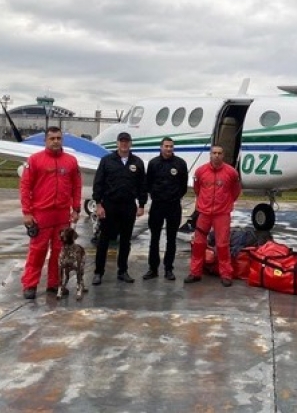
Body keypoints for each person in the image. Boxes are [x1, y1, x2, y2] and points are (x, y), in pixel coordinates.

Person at [20, 126, 82, 299]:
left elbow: (76, 186)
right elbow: (25, 187)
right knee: (37, 251)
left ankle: (54, 284)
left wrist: (76, 208)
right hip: (41, 214)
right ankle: (30, 284)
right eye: (52, 138)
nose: (55, 141)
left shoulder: (71, 161)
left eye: (58, 138)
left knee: (59, 251)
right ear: (45, 140)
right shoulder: (34, 160)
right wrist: (27, 212)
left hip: (62, 214)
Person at [91, 132, 147, 285]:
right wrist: (98, 204)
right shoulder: (107, 161)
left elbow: (142, 185)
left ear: (130, 143)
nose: (124, 144)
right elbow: (98, 183)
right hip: (110, 205)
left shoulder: (137, 162)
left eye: (127, 141)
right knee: (104, 240)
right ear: (117, 143)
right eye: (121, 141)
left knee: (125, 241)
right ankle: (98, 272)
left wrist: (141, 204)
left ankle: (122, 271)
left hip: (128, 206)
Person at [184, 145, 241, 287]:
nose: (216, 155)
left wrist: (225, 204)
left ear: (223, 155)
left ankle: (226, 274)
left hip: (222, 214)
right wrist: (204, 204)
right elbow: (197, 190)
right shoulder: (201, 171)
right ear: (210, 155)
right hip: (204, 213)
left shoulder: (231, 173)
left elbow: (235, 191)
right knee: (198, 244)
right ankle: (195, 272)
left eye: (219, 153)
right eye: (214, 153)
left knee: (223, 245)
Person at [143, 136, 188, 281]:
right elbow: (148, 183)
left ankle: (169, 269)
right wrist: (157, 195)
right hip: (157, 205)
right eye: (166, 146)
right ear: (161, 147)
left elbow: (183, 185)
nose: (168, 149)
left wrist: (174, 196)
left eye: (171, 146)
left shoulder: (180, 164)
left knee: (171, 239)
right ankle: (153, 268)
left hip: (173, 206)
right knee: (154, 238)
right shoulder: (153, 163)